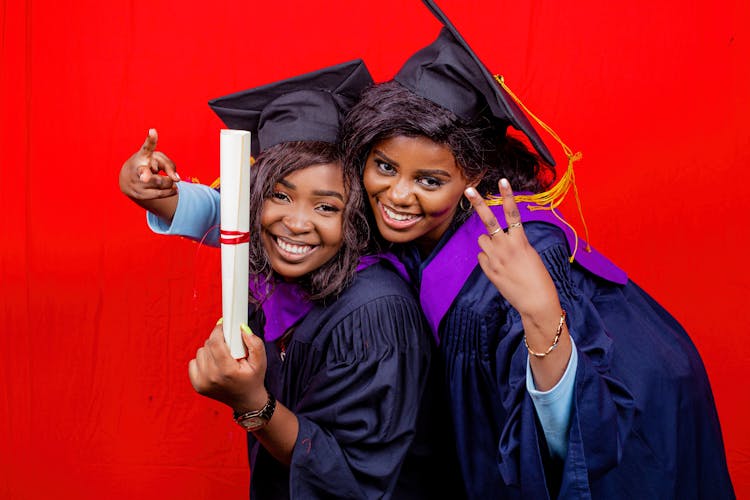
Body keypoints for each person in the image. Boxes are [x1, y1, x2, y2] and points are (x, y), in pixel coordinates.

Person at [339, 1, 735, 498]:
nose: (397, 195)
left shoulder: (520, 255)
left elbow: (571, 441)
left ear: (476, 174)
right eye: (384, 167)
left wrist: (541, 311)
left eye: (429, 179)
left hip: (642, 423)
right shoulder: (418, 226)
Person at [119, 60, 464, 499]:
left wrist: (252, 405)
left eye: (326, 207)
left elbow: (358, 481)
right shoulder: (273, 265)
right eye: (279, 195)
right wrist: (150, 188)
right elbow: (224, 215)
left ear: (355, 214)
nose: (296, 223)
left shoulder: (374, 312)